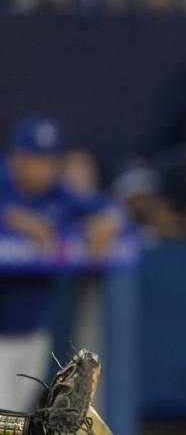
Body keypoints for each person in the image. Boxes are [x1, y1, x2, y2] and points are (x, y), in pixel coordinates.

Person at [0, 116, 124, 411]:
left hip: (33, 331)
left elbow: (111, 211)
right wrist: (12, 217)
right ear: (17, 158)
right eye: (35, 160)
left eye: (49, 161)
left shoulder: (57, 192)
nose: (44, 169)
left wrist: (108, 221)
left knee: (13, 417)